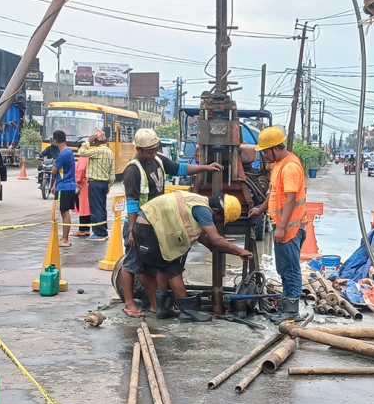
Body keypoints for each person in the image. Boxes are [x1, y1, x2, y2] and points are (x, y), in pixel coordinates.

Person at [121, 128, 224, 318]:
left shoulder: (158, 160)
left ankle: (155, 305)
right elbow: (132, 203)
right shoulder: (133, 171)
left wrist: (206, 167)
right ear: (138, 149)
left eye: (155, 149)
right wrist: (131, 232)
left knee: (152, 265)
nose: (153, 154)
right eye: (149, 151)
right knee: (133, 264)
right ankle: (129, 303)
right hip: (138, 223)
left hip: (155, 223)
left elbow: (180, 169)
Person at [136, 191, 252, 321]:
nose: (218, 223)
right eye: (220, 220)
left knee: (164, 266)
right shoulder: (204, 210)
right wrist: (239, 251)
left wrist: (207, 244)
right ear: (215, 211)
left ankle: (163, 309)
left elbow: (197, 228)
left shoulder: (199, 203)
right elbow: (216, 239)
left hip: (148, 225)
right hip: (150, 227)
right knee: (174, 269)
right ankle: (188, 312)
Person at [249, 126, 306, 323]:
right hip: (282, 225)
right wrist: (261, 209)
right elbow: (274, 193)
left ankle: (291, 311)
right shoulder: (279, 165)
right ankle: (285, 307)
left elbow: (290, 199)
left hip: (290, 228)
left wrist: (281, 227)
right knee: (283, 268)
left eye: (265, 151)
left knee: (290, 269)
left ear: (275, 147)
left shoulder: (290, 167)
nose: (265, 155)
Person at [77, 128, 116, 241]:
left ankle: (98, 233)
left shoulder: (98, 151)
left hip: (95, 182)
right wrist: (109, 185)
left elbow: (81, 152)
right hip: (104, 183)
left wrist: (87, 141)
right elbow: (112, 171)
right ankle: (103, 231)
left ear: (96, 141)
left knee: (95, 209)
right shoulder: (110, 152)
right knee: (102, 208)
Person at [50, 130, 76, 247]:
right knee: (66, 213)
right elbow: (62, 172)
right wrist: (55, 184)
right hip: (70, 186)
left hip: (63, 187)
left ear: (55, 141)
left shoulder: (62, 155)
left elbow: (54, 171)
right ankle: (65, 238)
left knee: (64, 213)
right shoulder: (70, 151)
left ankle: (65, 239)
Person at [73, 154, 91, 237]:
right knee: (87, 207)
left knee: (82, 207)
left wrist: (78, 180)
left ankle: (81, 229)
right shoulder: (89, 158)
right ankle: (87, 229)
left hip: (82, 185)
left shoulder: (83, 158)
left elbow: (81, 169)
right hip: (87, 184)